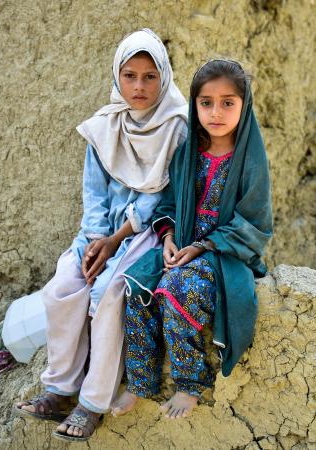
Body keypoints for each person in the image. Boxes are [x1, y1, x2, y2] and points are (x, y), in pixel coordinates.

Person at [13, 29, 187, 441]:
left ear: (164, 77)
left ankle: (92, 402)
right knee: (63, 287)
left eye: (149, 76)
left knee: (110, 295)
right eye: (130, 75)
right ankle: (59, 387)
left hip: (142, 234)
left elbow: (159, 196)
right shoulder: (105, 125)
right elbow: (93, 191)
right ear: (117, 76)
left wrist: (115, 242)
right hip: (101, 233)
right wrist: (94, 240)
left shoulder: (175, 129)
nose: (139, 86)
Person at [111, 59, 273, 419]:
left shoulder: (250, 161)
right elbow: (169, 203)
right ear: (194, 105)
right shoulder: (188, 154)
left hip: (225, 254)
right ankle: (140, 381)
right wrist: (168, 237)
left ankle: (190, 383)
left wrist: (201, 247)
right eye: (206, 102)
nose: (216, 112)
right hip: (181, 245)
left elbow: (254, 223)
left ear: (244, 107)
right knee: (136, 284)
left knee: (179, 285)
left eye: (228, 102)